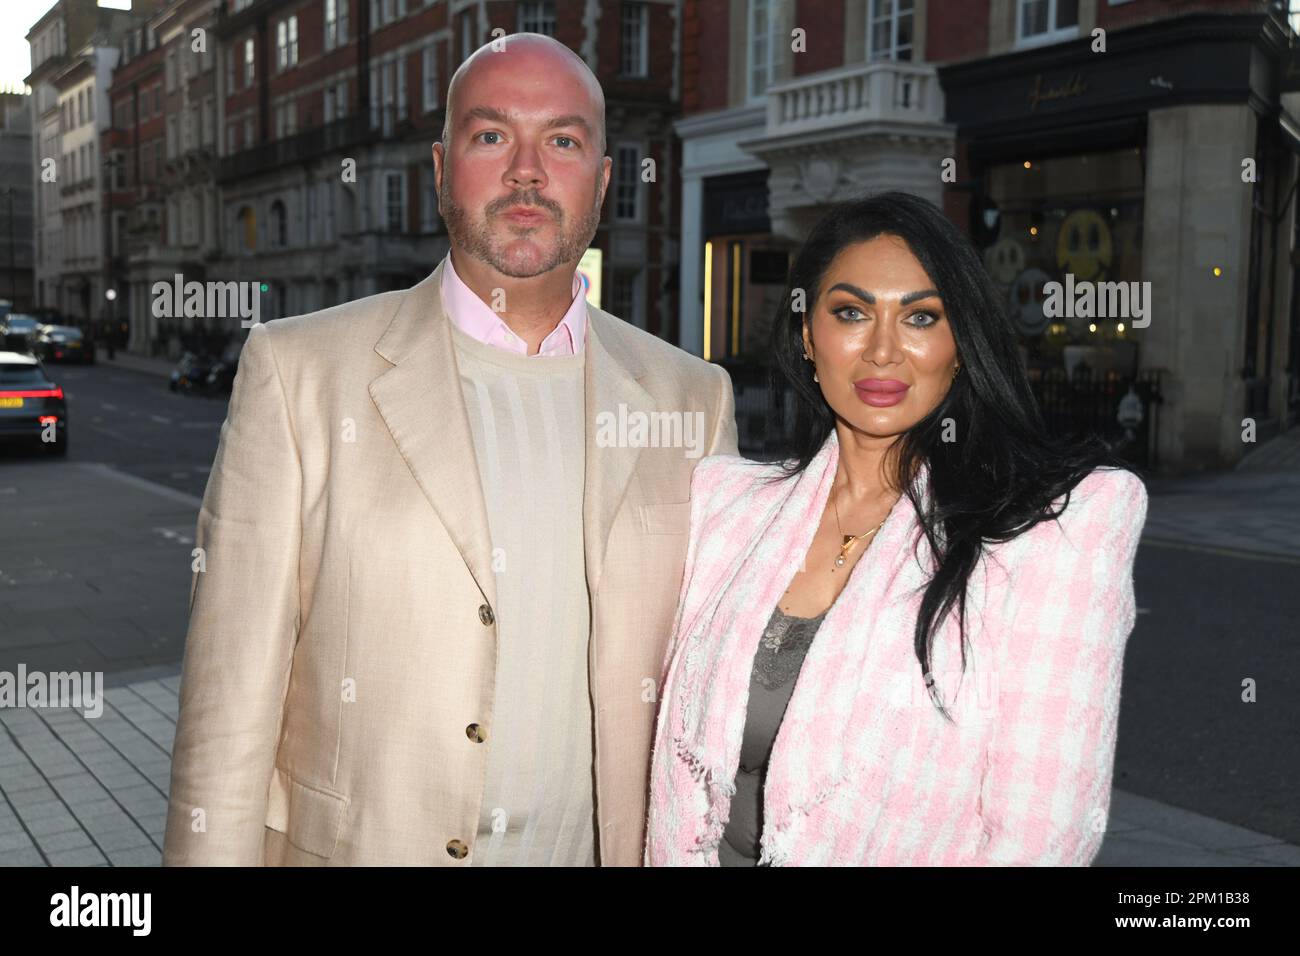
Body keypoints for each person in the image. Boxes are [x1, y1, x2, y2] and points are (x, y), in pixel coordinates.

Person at [163, 33, 737, 867]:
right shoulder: (298, 373)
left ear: (605, 180)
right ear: (440, 168)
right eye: (492, 135)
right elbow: (228, 698)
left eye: (564, 140)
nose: (528, 172)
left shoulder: (694, 398)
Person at [645, 191, 1149, 866]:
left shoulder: (1053, 532)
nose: (883, 351)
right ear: (806, 334)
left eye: (920, 317)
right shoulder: (727, 505)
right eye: (851, 313)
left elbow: (1042, 840)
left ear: (960, 344)